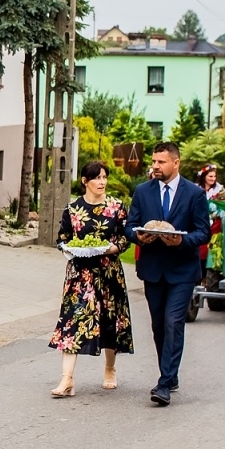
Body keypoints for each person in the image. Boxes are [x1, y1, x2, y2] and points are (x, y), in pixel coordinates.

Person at [125, 141, 212, 407]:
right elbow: (130, 226)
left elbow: (203, 232)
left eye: (161, 162)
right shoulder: (143, 191)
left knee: (174, 321)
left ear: (176, 163)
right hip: (153, 269)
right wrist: (138, 237)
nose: (155, 166)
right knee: (158, 325)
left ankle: (164, 382)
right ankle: (170, 374)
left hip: (183, 269)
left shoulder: (195, 194)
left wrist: (182, 241)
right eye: (154, 162)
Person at [49, 161, 133, 397]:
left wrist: (108, 249)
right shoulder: (73, 209)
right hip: (80, 275)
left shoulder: (116, 207)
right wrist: (69, 248)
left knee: (109, 321)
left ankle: (110, 368)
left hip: (108, 273)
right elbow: (62, 238)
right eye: (97, 178)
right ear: (85, 181)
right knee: (72, 322)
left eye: (104, 177)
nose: (102, 182)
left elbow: (124, 239)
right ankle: (67, 379)